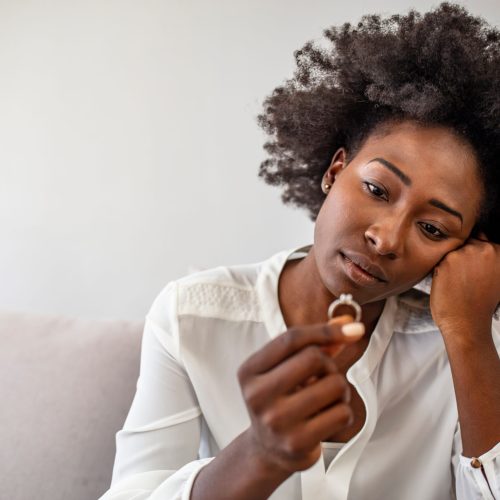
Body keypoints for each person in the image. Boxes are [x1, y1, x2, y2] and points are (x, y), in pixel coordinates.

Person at [100, 3, 500, 499]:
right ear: (334, 172)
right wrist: (260, 456)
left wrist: (470, 339)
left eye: (434, 228)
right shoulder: (193, 317)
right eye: (377, 190)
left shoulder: (470, 343)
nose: (386, 239)